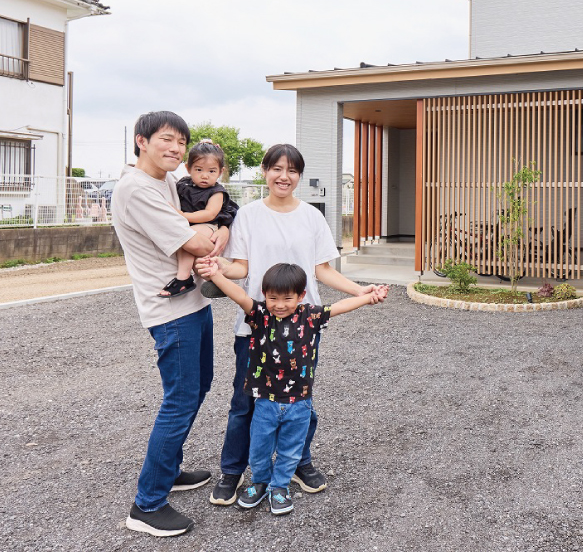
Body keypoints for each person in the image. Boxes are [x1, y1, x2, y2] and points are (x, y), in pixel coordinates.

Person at [196, 143, 387, 506]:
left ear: (299, 175)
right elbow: (241, 267)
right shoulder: (249, 215)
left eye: (292, 170)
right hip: (256, 329)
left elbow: (323, 270)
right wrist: (220, 269)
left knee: (300, 402)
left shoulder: (312, 217)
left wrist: (361, 290)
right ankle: (233, 472)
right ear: (265, 171)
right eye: (277, 169)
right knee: (244, 403)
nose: (284, 176)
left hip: (300, 332)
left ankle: (299, 463)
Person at [111, 111, 228, 537]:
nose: (176, 149)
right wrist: (211, 237)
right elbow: (195, 240)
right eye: (166, 140)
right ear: (141, 141)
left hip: (192, 303)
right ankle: (147, 504)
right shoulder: (137, 189)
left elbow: (199, 231)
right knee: (179, 399)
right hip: (169, 312)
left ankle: (169, 468)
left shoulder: (162, 181)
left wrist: (209, 236)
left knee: (199, 386)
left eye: (181, 142)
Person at [200, 260, 382, 514]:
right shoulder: (260, 314)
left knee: (290, 448)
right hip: (265, 400)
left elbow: (339, 306)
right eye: (273, 298)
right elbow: (238, 294)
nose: (280, 305)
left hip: (300, 402)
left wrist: (366, 297)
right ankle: (260, 482)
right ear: (265, 295)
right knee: (259, 448)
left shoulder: (311, 315)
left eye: (287, 298)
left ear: (301, 296)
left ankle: (280, 487)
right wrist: (216, 275)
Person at [158, 140, 239, 298]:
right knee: (200, 262)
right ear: (188, 168)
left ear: (220, 172)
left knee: (187, 236)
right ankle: (216, 281)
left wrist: (182, 216)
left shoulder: (217, 192)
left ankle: (183, 278)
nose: (204, 175)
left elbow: (209, 213)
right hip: (191, 225)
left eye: (211, 171)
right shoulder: (183, 184)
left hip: (208, 225)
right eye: (199, 169)